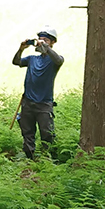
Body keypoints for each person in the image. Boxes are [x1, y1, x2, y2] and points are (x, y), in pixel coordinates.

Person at [12, 27, 64, 160]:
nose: (41, 42)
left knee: (47, 134)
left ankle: (50, 161)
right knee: (27, 133)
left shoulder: (54, 61)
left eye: (45, 40)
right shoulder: (32, 59)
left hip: (44, 104)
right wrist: (21, 48)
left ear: (52, 42)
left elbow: (58, 60)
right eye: (40, 39)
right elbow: (16, 62)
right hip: (28, 103)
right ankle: (30, 160)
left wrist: (47, 48)